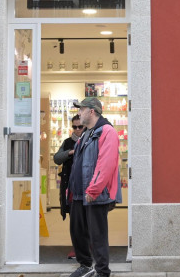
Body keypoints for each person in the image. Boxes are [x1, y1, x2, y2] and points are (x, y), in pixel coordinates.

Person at [67, 97, 121, 277]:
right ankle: (85, 265)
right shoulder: (85, 133)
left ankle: (102, 271)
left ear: (91, 111)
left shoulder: (107, 131)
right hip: (79, 193)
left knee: (97, 234)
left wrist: (94, 189)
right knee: (77, 231)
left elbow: (105, 163)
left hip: (94, 193)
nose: (78, 113)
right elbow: (78, 164)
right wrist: (71, 189)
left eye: (81, 109)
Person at [53, 114, 84, 221]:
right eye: (75, 127)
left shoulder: (90, 141)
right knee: (74, 220)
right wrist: (70, 152)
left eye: (80, 126)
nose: (77, 129)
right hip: (70, 186)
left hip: (85, 185)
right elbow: (57, 158)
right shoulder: (67, 142)